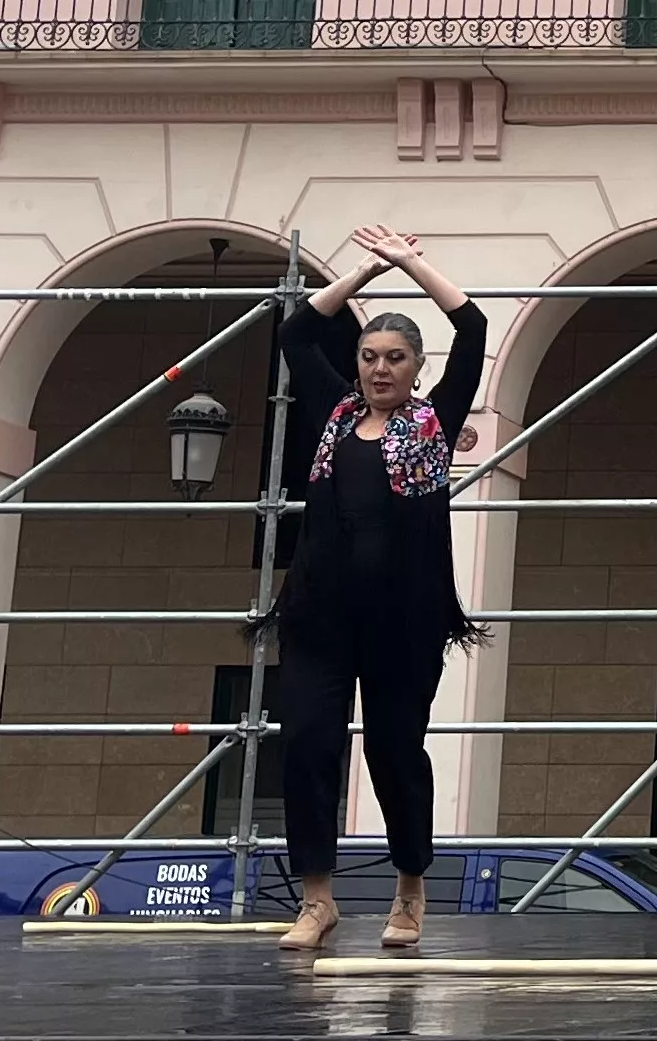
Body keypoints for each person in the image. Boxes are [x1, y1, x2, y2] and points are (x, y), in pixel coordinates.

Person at [264, 223, 488, 953]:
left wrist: (411, 264)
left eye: (395, 358)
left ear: (416, 369)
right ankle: (316, 899)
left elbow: (473, 327)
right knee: (307, 744)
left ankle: (409, 887)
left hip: (403, 620)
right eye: (369, 356)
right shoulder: (333, 411)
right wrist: (361, 274)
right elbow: (298, 333)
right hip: (320, 615)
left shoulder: (435, 420)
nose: (379, 368)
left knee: (394, 753)